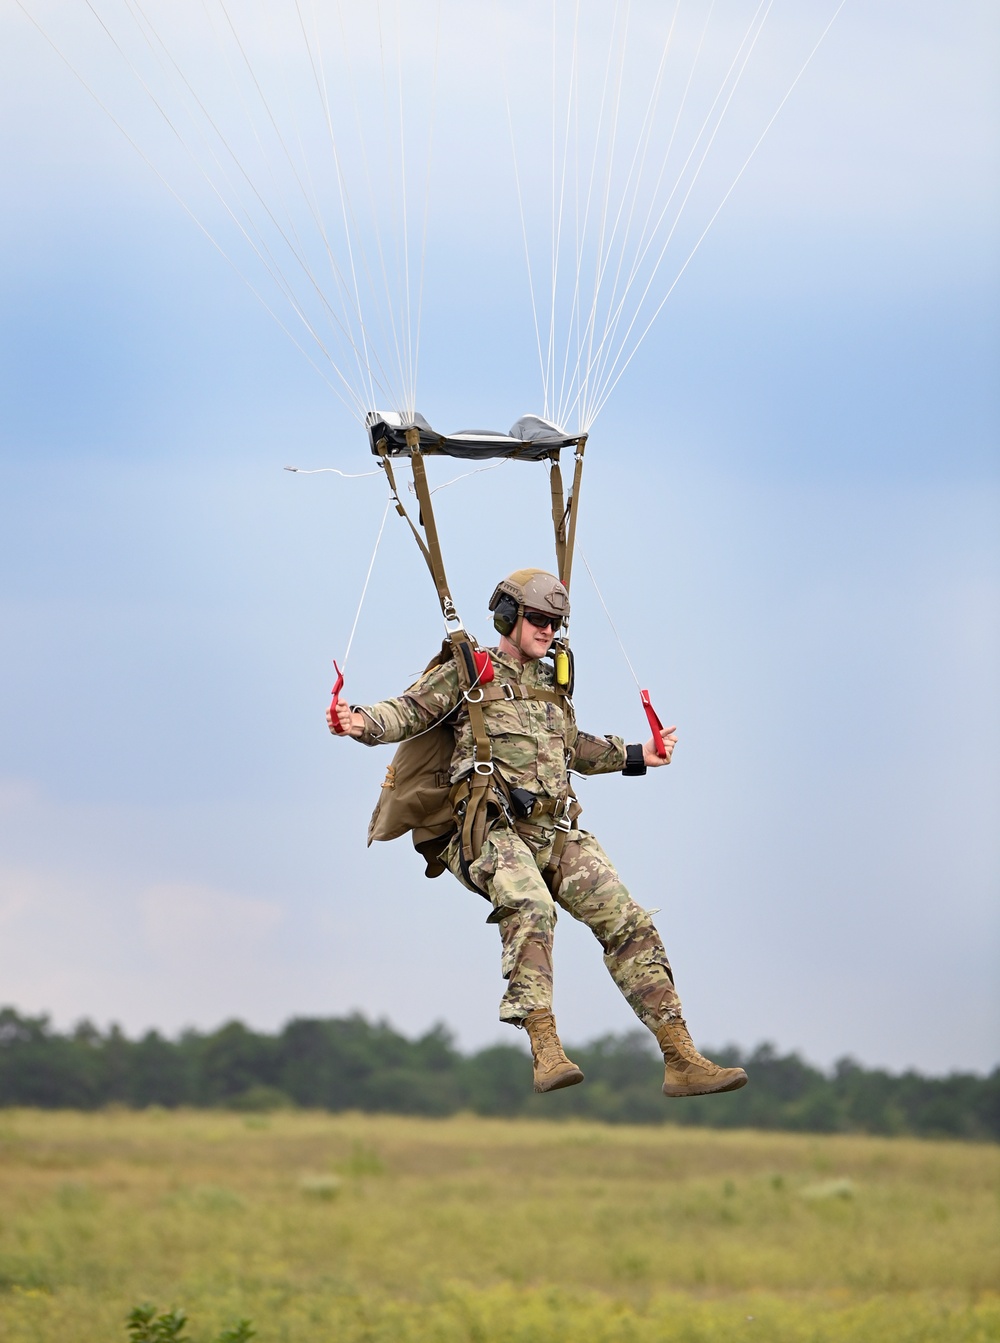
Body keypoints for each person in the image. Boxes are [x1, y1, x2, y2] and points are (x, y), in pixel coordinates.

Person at [327, 568, 747, 1099]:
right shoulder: (470, 671)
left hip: (555, 829)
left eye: (556, 622)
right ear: (508, 617)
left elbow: (574, 748)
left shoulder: (553, 684)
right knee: (531, 904)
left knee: (627, 919)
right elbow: (408, 712)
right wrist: (357, 721)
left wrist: (642, 755)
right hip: (489, 832)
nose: (549, 631)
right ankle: (545, 1047)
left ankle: (680, 1056)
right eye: (539, 619)